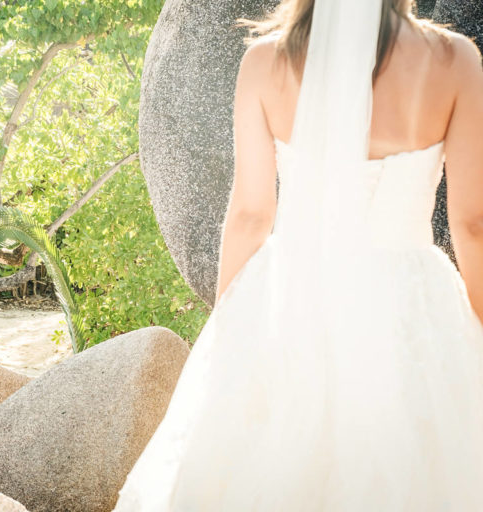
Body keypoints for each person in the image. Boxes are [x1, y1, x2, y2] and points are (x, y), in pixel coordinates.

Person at [113, 0, 483, 510]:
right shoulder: (454, 61)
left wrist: (229, 328)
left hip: (292, 295)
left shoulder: (266, 62)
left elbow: (250, 213)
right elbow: (472, 224)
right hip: (410, 304)